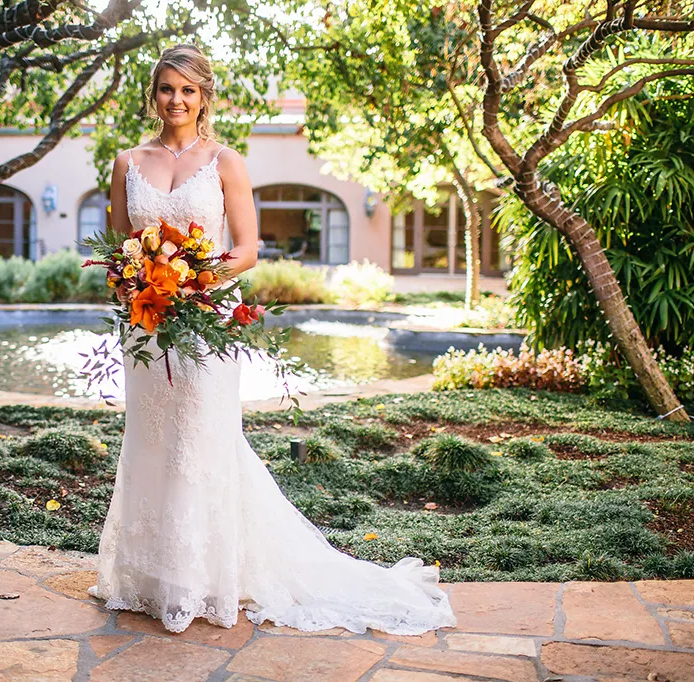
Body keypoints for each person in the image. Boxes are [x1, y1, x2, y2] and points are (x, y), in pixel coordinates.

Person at [88, 43, 456, 636]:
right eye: (166, 88)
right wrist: (137, 281)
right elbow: (117, 244)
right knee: (151, 438)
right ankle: (147, 577)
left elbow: (248, 248)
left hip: (206, 317)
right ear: (152, 95)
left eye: (188, 89)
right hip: (148, 323)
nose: (176, 100)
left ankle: (207, 578)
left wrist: (192, 279)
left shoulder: (225, 161)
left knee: (202, 438)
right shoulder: (127, 162)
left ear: (205, 96)